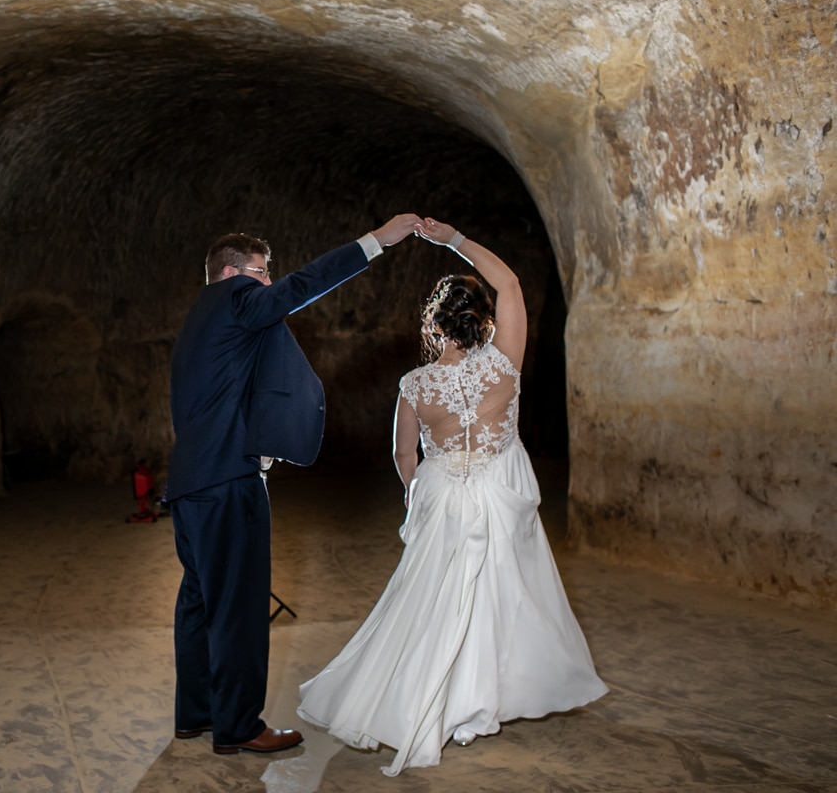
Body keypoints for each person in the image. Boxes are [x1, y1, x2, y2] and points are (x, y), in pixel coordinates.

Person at [296, 216, 608, 776]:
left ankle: (430, 702)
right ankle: (478, 703)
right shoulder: (505, 363)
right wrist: (454, 240)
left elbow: (404, 455)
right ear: (484, 319)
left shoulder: (415, 385)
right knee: (498, 596)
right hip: (499, 488)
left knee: (431, 598)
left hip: (442, 492)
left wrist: (415, 493)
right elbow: (509, 282)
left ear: (433, 325)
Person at [166, 214, 427, 756]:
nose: (268, 282)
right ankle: (239, 726)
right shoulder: (238, 299)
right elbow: (303, 285)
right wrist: (377, 241)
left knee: (198, 602)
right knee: (239, 608)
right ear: (233, 273)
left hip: (190, 483)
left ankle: (196, 715)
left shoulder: (197, 318)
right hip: (228, 481)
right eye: (262, 272)